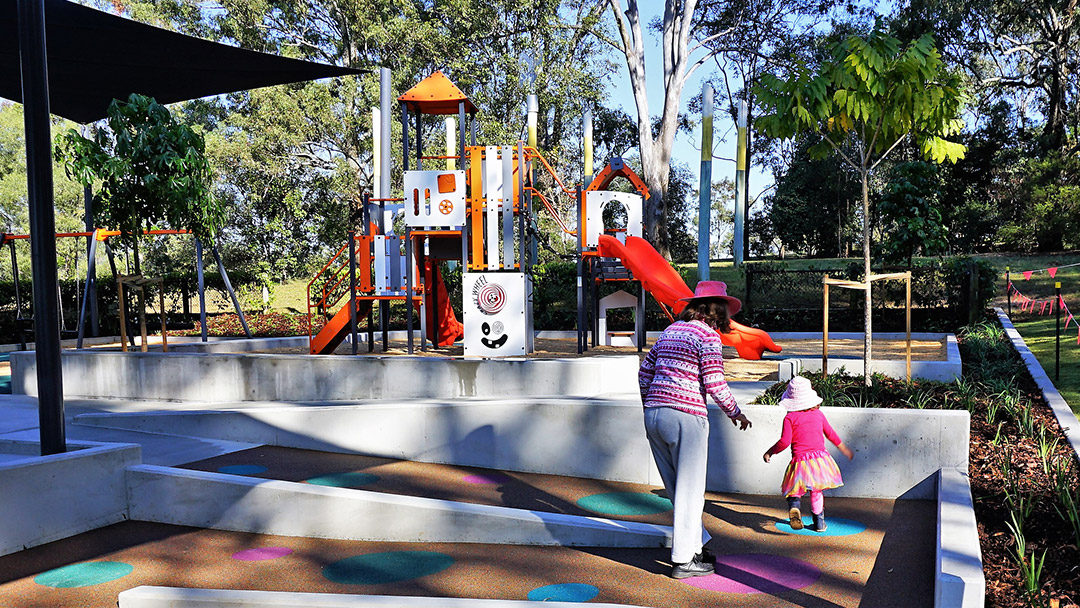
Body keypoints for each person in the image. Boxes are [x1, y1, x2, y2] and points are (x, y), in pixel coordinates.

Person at [638, 281, 752, 579]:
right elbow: (714, 382)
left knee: (677, 489)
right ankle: (683, 560)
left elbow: (644, 373)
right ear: (719, 310)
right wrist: (735, 412)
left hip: (655, 413)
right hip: (686, 415)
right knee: (690, 491)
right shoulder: (708, 336)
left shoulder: (670, 331)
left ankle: (695, 546)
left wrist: (650, 405)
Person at [762, 376, 854, 532]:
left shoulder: (790, 418)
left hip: (800, 460)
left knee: (793, 489)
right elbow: (830, 434)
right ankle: (819, 523)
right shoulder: (819, 414)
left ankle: (794, 507)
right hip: (820, 460)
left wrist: (770, 452)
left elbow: (784, 441)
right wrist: (843, 448)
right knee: (816, 491)